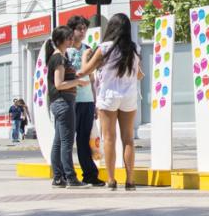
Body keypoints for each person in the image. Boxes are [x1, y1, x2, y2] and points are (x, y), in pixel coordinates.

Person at [81, 13, 143, 191]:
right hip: (129, 95)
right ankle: (130, 180)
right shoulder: (135, 48)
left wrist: (86, 56)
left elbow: (85, 70)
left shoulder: (104, 48)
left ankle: (111, 179)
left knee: (109, 138)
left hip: (109, 96)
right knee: (128, 139)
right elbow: (138, 73)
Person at [47, 25, 91, 188]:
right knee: (66, 141)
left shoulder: (60, 56)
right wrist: (77, 82)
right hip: (63, 102)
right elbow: (59, 84)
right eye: (69, 38)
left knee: (59, 141)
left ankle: (58, 177)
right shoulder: (58, 58)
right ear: (60, 41)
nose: (72, 40)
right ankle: (70, 177)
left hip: (61, 102)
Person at [67, 15, 104, 186]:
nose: (82, 32)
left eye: (84, 29)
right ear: (72, 30)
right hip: (71, 100)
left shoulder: (88, 49)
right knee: (67, 138)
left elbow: (92, 78)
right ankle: (66, 174)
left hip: (88, 100)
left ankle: (90, 174)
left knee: (84, 139)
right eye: (79, 29)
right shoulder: (66, 52)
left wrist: (96, 102)